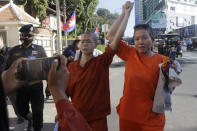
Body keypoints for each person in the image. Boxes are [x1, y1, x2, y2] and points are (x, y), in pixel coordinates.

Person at [64, 2, 132, 131]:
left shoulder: (102, 62)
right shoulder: (72, 67)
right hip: (77, 118)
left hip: (97, 120)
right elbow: (65, 93)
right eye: (82, 41)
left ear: (95, 44)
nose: (84, 44)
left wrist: (125, 14)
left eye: (88, 41)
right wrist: (62, 111)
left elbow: (116, 38)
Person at [107, 7, 168, 131]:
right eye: (136, 39)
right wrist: (125, 14)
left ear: (152, 40)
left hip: (153, 119)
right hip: (128, 117)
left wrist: (174, 72)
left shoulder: (164, 61)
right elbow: (111, 36)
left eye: (144, 38)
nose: (140, 42)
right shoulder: (130, 53)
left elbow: (168, 88)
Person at [0, 55, 91, 131]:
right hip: (22, 91)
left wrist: (3, 90)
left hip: (36, 89)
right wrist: (57, 90)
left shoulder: (39, 49)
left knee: (38, 113)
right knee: (23, 110)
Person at [6, 24, 47, 131]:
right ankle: (31, 119)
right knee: (21, 111)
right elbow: (6, 68)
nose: (27, 38)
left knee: (38, 111)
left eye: (29, 35)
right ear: (20, 36)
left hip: (36, 86)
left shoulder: (40, 49)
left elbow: (46, 67)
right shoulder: (14, 50)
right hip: (20, 87)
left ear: (33, 36)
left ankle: (37, 126)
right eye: (24, 35)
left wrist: (49, 85)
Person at [0, 34, 24, 124]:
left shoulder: (12, 51)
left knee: (21, 99)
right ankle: (19, 116)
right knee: (13, 100)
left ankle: (26, 114)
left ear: (1, 39)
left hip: (15, 79)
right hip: (3, 83)